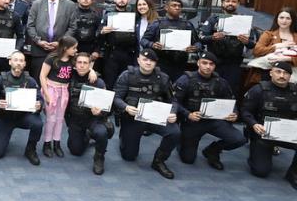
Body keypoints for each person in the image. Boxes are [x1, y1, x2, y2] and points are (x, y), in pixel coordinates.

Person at [112, 48, 181, 179]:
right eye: (145, 59)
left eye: (152, 61)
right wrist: (126, 107)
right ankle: (124, 136)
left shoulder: (163, 78)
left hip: (156, 118)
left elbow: (173, 100)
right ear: (138, 60)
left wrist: (172, 112)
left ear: (156, 63)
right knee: (129, 156)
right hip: (133, 118)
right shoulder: (127, 75)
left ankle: (159, 161)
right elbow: (116, 98)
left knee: (174, 132)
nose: (148, 63)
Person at [173, 52, 246, 171]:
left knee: (239, 139)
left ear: (215, 66)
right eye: (204, 63)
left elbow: (231, 101)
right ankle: (182, 143)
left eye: (211, 64)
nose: (208, 66)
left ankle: (212, 150)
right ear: (198, 63)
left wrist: (235, 114)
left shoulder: (221, 82)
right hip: (193, 121)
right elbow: (174, 101)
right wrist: (188, 114)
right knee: (188, 159)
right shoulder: (186, 79)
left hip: (214, 121)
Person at [240, 61, 297, 190]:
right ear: (271, 73)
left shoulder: (295, 91)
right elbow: (245, 111)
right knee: (260, 171)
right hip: (263, 134)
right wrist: (253, 124)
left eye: (286, 73)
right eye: (278, 71)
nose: (282, 75)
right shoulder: (258, 89)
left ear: (290, 76)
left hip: (289, 134)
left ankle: (293, 173)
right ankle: (255, 155)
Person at [0, 51, 44, 165]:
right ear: (10, 62)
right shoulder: (1, 79)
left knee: (38, 124)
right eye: (16, 60)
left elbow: (40, 99)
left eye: (21, 61)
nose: (18, 63)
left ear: (24, 64)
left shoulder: (30, 81)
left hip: (24, 116)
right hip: (6, 117)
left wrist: (39, 104)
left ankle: (30, 149)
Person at [199, 0, 257, 100]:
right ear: (223, 3)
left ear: (238, 4)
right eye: (228, 1)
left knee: (231, 93)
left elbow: (253, 44)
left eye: (234, 1)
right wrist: (212, 37)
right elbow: (201, 37)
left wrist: (246, 41)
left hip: (234, 64)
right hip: (215, 63)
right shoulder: (213, 19)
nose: (231, 3)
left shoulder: (244, 21)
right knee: (211, 92)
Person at [66, 53, 113, 175]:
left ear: (90, 65)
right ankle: (87, 136)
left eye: (85, 63)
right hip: (75, 119)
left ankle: (99, 157)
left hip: (93, 119)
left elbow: (107, 107)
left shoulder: (98, 81)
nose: (82, 65)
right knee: (75, 151)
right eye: (79, 62)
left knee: (101, 133)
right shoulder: (68, 77)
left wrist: (100, 112)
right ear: (75, 64)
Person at [24, 0, 77, 82]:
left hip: (59, 51)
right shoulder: (37, 4)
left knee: (56, 81)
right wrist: (38, 41)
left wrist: (61, 43)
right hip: (39, 50)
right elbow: (30, 25)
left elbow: (73, 27)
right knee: (38, 80)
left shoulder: (69, 5)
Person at [141, 0, 200, 83]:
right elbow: (143, 40)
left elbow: (198, 43)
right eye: (174, 5)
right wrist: (152, 45)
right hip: (161, 63)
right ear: (166, 8)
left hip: (181, 64)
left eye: (179, 6)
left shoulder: (187, 24)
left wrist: (195, 48)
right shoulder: (157, 23)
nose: (177, 8)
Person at [39, 36, 80, 159]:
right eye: (74, 48)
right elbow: (42, 76)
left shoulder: (73, 59)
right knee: (50, 118)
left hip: (64, 90)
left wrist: (92, 71)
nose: (75, 50)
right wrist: (46, 94)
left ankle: (57, 143)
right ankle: (47, 144)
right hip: (51, 89)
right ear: (66, 48)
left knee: (60, 118)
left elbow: (86, 63)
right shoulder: (52, 58)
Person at [99, 0, 139, 89]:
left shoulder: (134, 16)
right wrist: (102, 31)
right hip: (112, 54)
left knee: (124, 85)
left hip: (128, 54)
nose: (122, 0)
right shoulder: (108, 15)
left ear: (128, 0)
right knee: (109, 83)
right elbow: (98, 33)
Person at [249, 7, 297, 85]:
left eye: (288, 18)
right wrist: (276, 46)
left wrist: (288, 58)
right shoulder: (268, 34)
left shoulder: (296, 37)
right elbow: (256, 51)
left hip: (290, 74)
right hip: (267, 72)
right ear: (277, 19)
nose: (284, 21)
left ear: (292, 20)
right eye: (281, 17)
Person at [71, 0, 102, 64]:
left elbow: (100, 34)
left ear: (92, 1)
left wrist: (96, 50)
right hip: (72, 48)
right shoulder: (70, 12)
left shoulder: (96, 15)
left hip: (90, 50)